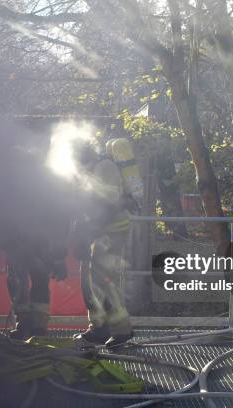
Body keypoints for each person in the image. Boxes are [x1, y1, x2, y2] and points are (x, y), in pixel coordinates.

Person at [72, 141, 134, 348]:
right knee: (90, 280)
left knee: (104, 279)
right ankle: (98, 328)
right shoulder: (88, 171)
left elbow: (108, 206)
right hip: (99, 232)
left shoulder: (104, 167)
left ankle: (121, 331)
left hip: (112, 230)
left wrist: (90, 232)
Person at [3, 234, 67, 340]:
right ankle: (27, 323)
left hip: (38, 237)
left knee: (39, 278)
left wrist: (59, 256)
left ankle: (37, 324)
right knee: (18, 278)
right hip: (18, 237)